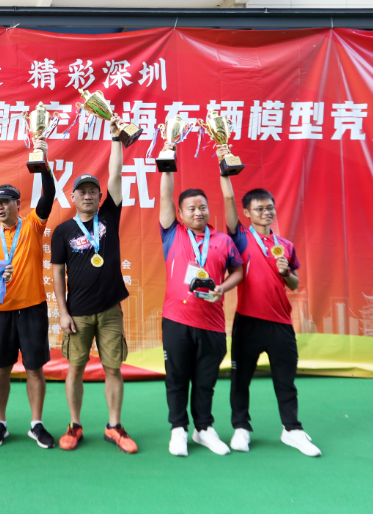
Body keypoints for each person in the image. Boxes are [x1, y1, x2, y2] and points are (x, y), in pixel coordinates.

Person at [217, 145, 321, 457]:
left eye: (270, 208)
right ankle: (241, 428)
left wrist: (286, 271)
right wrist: (224, 170)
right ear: (247, 213)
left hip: (281, 325)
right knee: (240, 380)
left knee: (286, 381)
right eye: (260, 208)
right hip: (248, 322)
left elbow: (295, 283)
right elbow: (228, 201)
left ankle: (292, 430)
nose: (266, 212)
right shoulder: (239, 238)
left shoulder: (285, 245)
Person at [52, 117, 137, 454]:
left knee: (113, 369)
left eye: (93, 192)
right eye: (82, 191)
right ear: (72, 196)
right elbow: (57, 273)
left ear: (101, 196)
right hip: (78, 314)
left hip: (110, 310)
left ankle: (114, 426)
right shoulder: (63, 231)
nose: (88, 196)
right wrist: (62, 313)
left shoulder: (109, 216)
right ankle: (74, 425)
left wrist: (115, 139)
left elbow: (115, 174)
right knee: (74, 369)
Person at [158, 142, 244, 457]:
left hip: (212, 323)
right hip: (176, 321)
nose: (198, 212)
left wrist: (222, 288)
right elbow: (165, 195)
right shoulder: (172, 233)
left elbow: (239, 271)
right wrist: (169, 152)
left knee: (206, 380)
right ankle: (178, 429)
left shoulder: (222, 240)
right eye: (191, 208)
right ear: (180, 213)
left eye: (203, 207)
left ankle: (203, 429)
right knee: (177, 378)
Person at [0, 138, 56, 449]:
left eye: (4, 202)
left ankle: (36, 424)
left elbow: (49, 194)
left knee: (34, 368)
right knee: (1, 369)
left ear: (17, 204)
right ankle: (1, 423)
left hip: (33, 308)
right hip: (2, 310)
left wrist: (43, 162)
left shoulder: (33, 224)